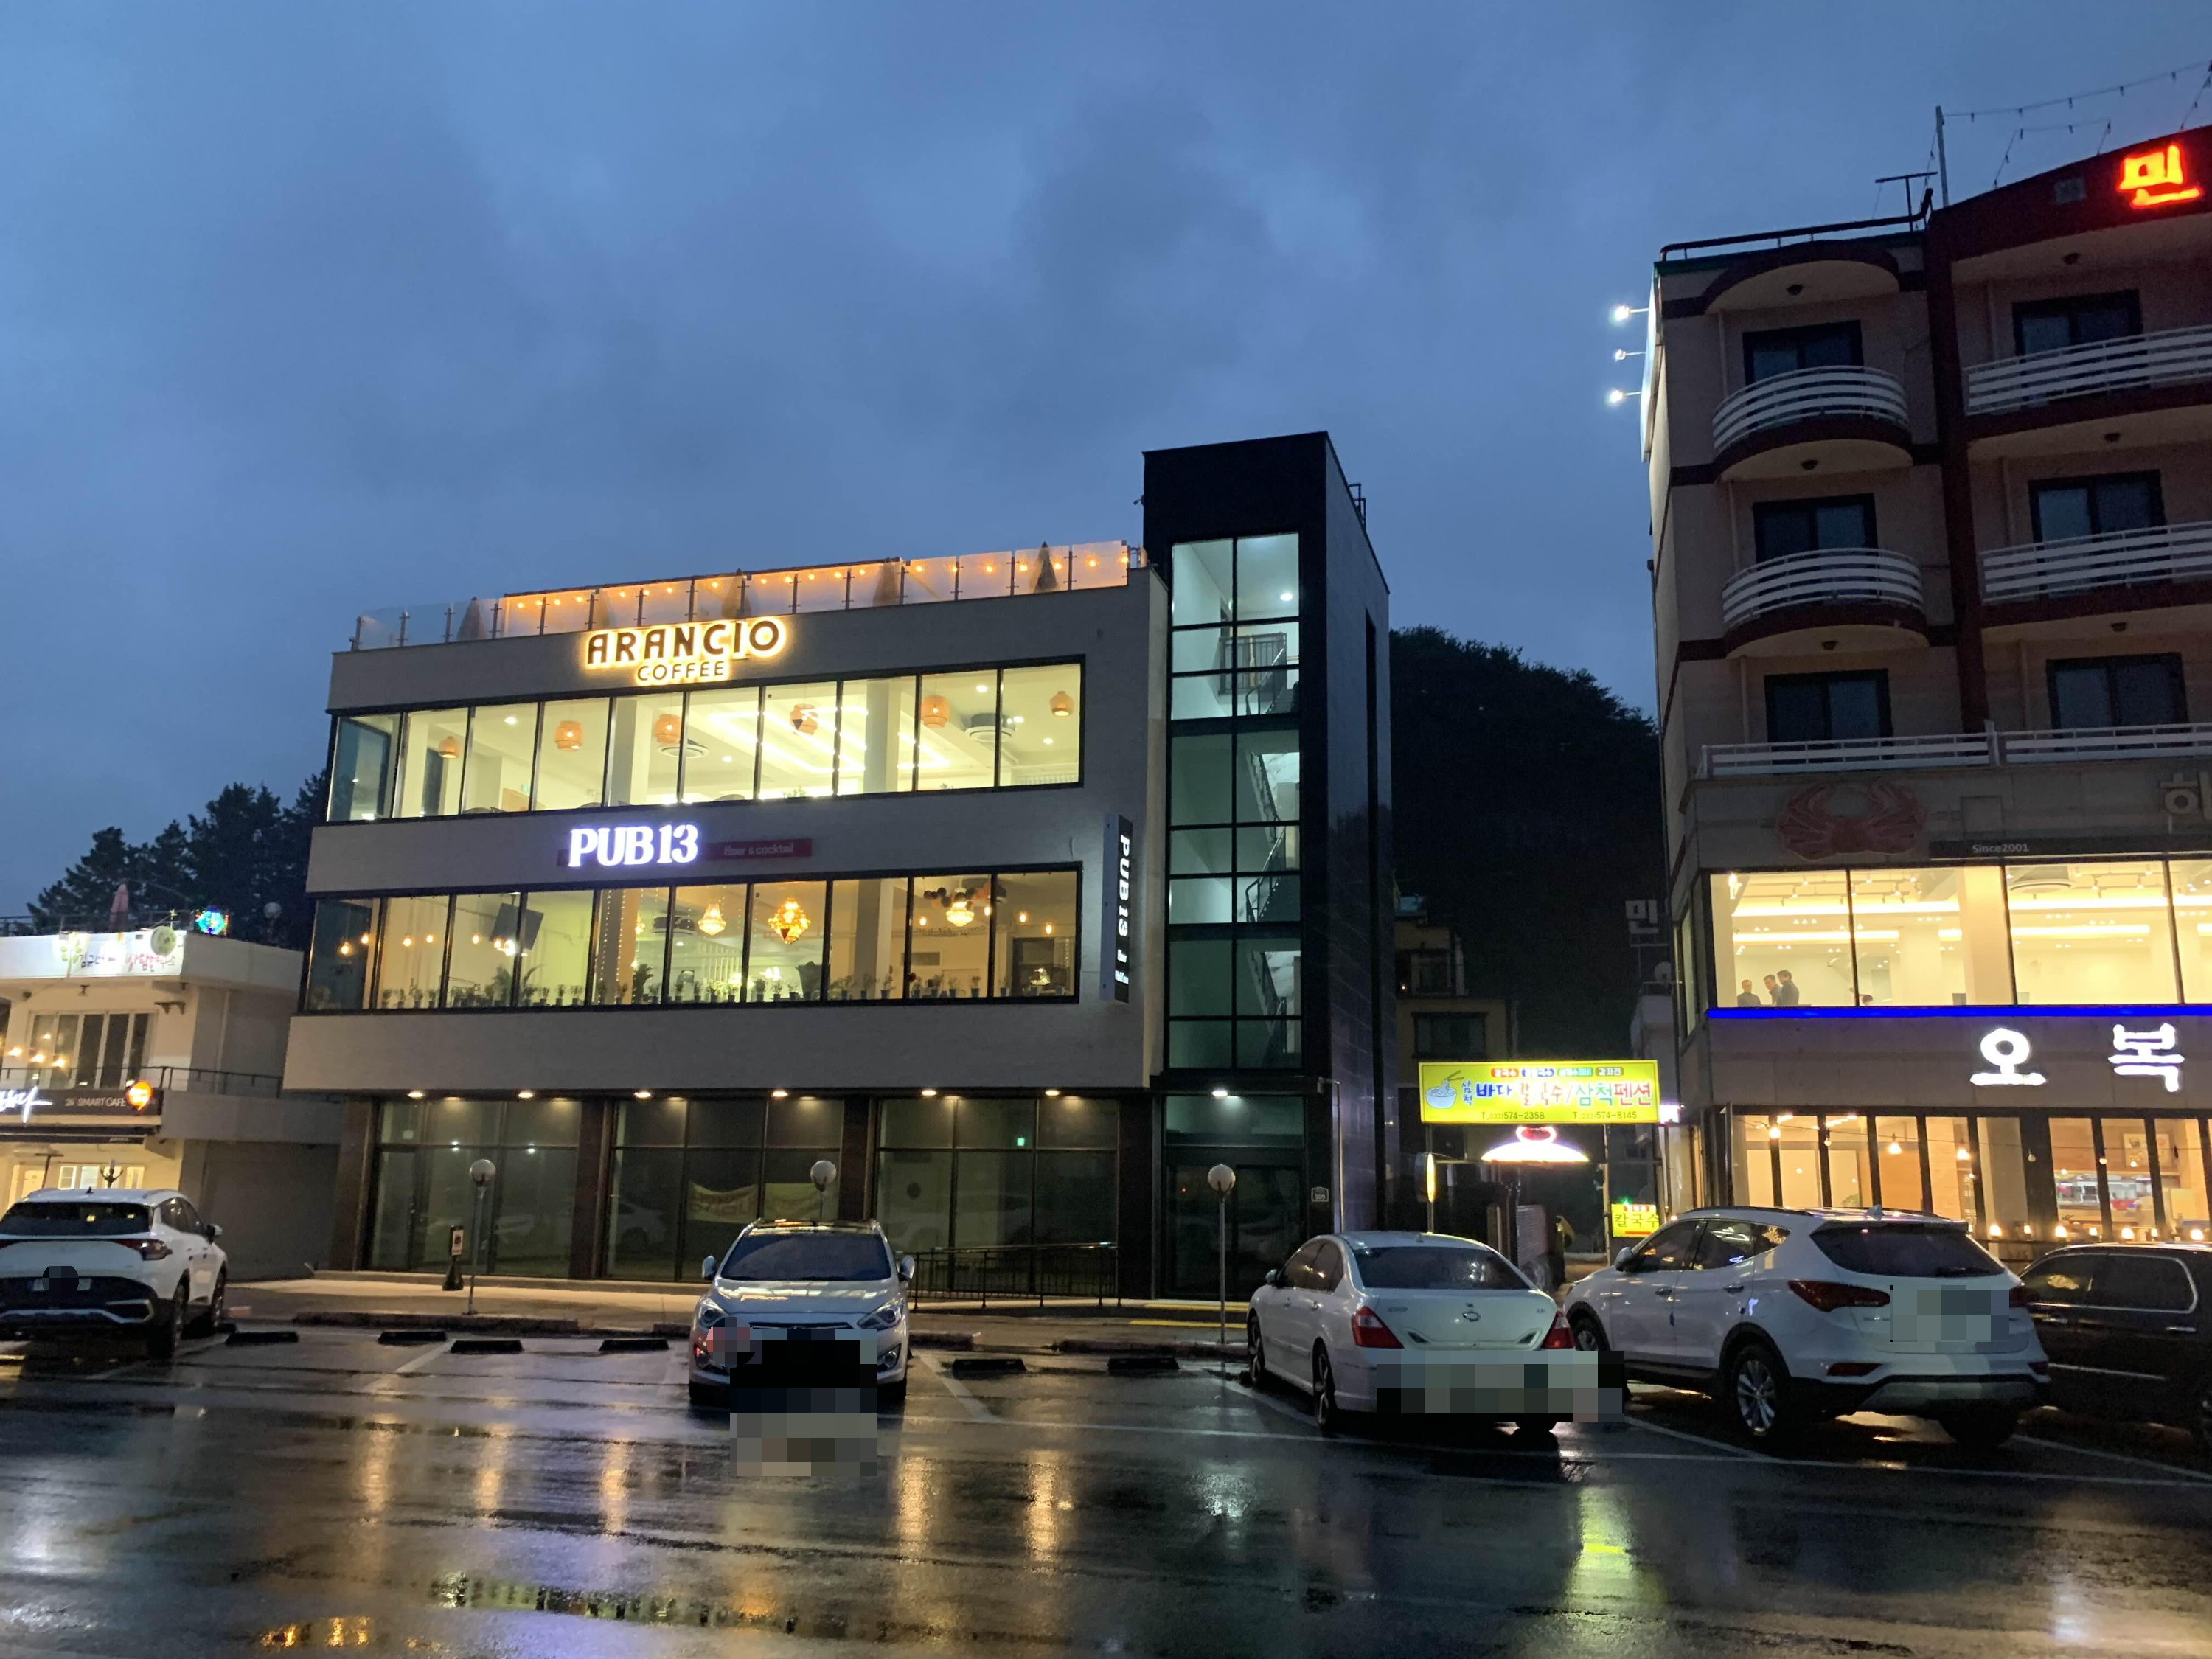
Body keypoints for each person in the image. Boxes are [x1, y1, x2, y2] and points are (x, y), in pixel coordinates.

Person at [1547, 1210, 1574, 1290]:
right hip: (1556, 1249)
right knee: (1559, 1264)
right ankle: (1559, 1280)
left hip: (1556, 1249)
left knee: (1558, 1264)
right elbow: (1569, 1236)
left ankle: (1559, 1281)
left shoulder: (1560, 1223)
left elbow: (1567, 1235)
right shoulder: (1561, 1222)